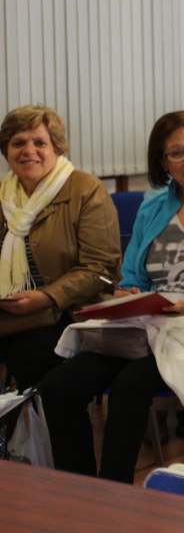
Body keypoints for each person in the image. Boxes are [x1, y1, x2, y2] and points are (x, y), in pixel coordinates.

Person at [40, 111, 184, 483]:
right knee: (57, 387)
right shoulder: (153, 208)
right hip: (152, 323)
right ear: (162, 162)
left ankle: (114, 490)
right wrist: (128, 293)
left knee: (131, 382)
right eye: (177, 154)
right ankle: (80, 488)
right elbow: (131, 276)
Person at [0, 106, 120, 390]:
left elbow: (100, 269)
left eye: (40, 142)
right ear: (6, 150)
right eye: (18, 143)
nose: (29, 150)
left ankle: (40, 432)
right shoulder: (3, 195)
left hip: (69, 312)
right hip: (9, 313)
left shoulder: (86, 189)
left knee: (29, 354)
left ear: (57, 148)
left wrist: (47, 297)